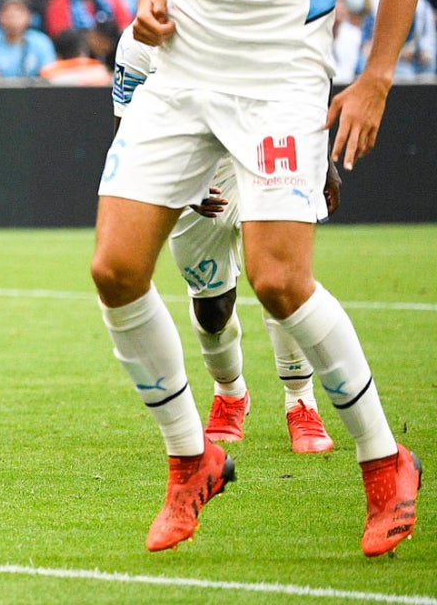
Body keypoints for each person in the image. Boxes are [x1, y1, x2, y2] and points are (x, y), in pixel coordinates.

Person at [92, 0, 420, 557]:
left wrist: (375, 77)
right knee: (116, 271)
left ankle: (385, 462)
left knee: (278, 280)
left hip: (278, 82)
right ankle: (190, 460)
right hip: (179, 74)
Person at [110, 24, 337, 456]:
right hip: (197, 172)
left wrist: (320, 159)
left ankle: (300, 402)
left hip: (264, 154)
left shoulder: (254, 13)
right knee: (213, 307)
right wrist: (180, 186)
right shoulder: (141, 37)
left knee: (279, 283)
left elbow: (298, 85)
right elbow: (129, 126)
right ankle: (230, 393)